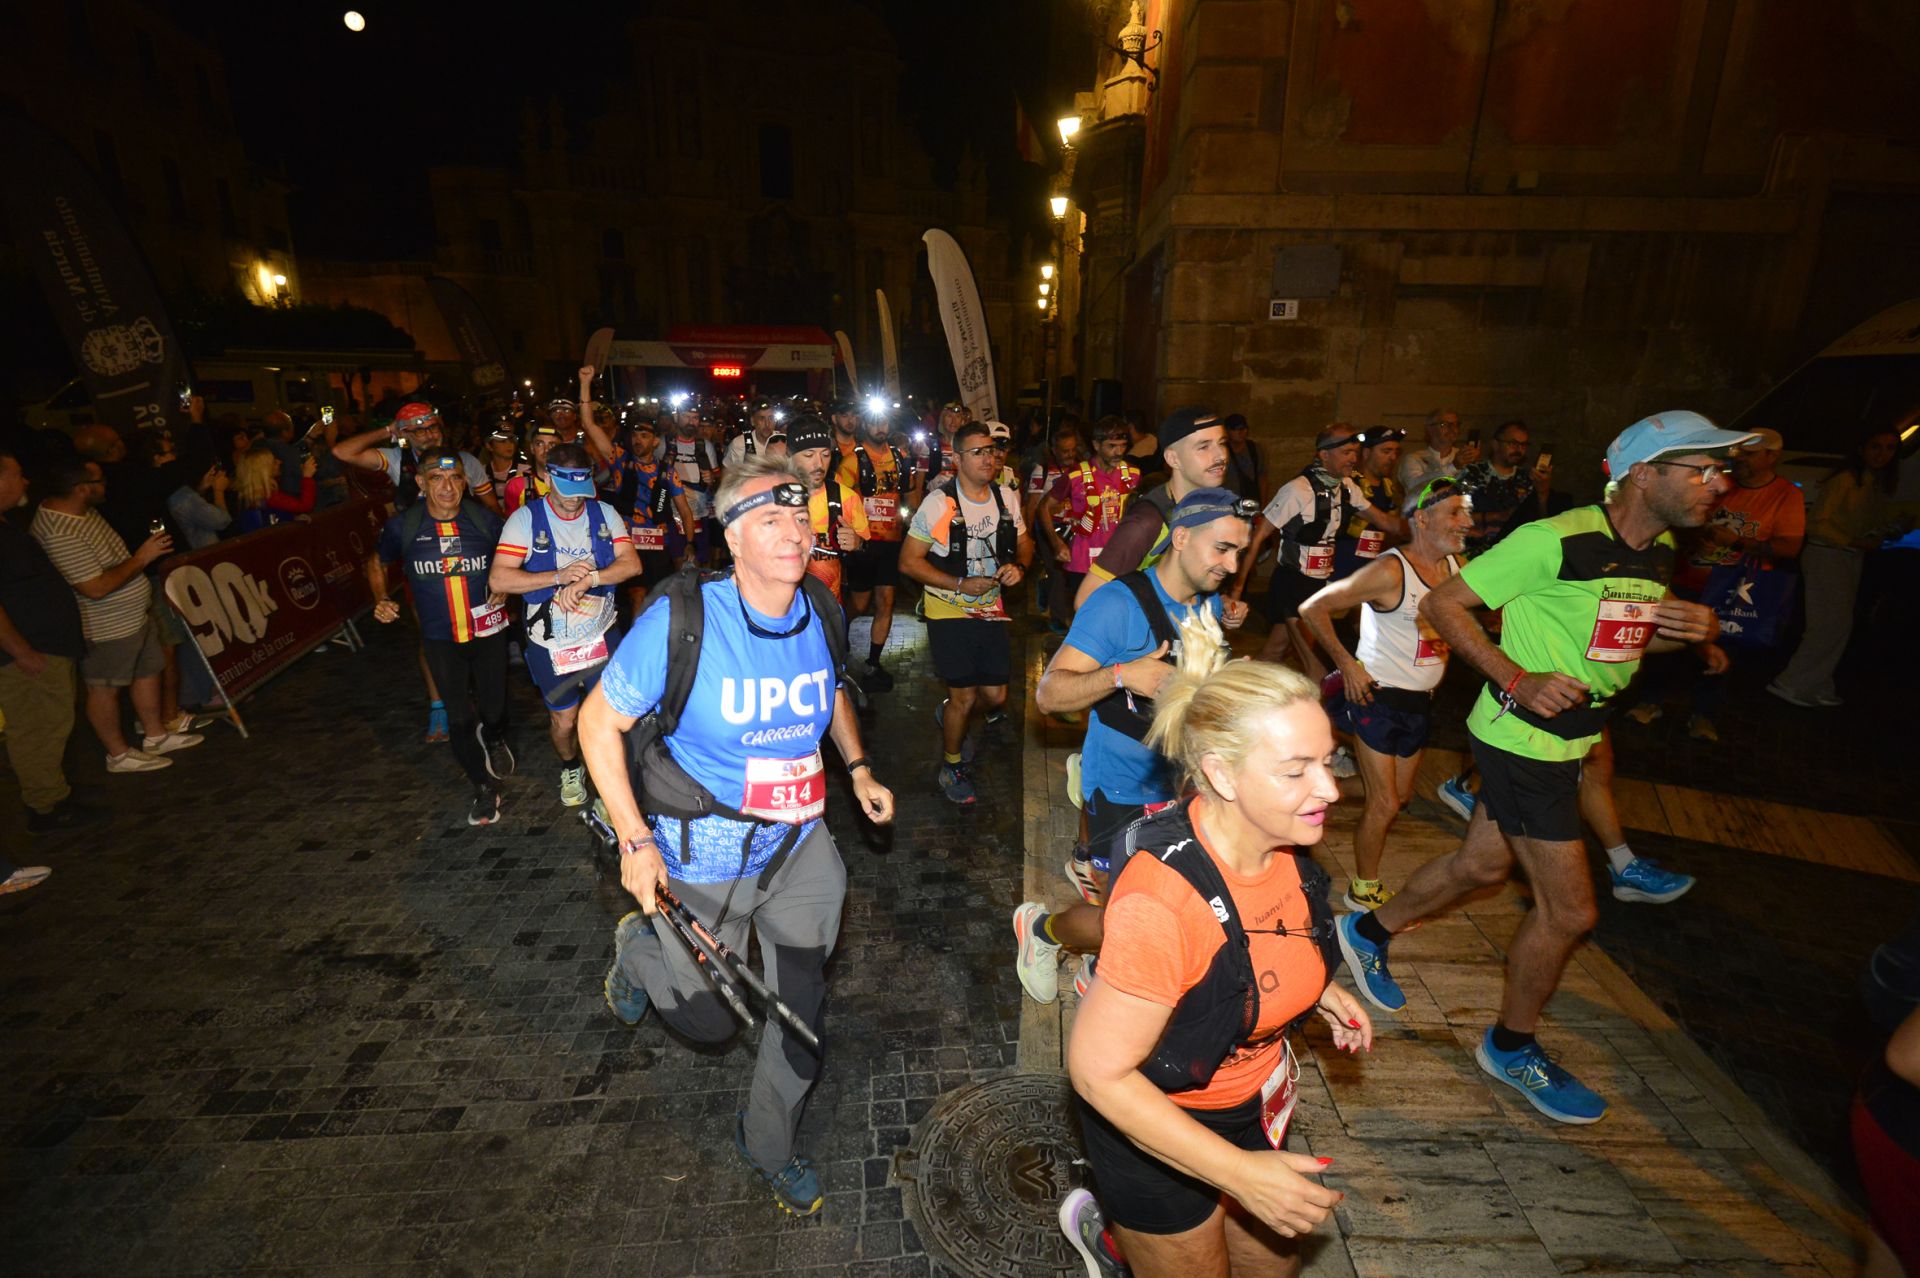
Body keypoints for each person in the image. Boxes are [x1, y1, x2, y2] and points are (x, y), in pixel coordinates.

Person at [1337, 410, 1750, 1124]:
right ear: (1644, 475)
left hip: (1572, 740)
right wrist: (1516, 678)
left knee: (1480, 869)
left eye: (1722, 471)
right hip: (1523, 737)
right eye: (1702, 469)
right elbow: (1444, 602)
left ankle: (1366, 932)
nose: (1719, 483)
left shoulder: (1657, 552)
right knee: (1570, 911)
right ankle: (1510, 1044)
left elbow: (1611, 644)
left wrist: (1683, 634)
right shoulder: (1552, 540)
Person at [580, 455, 896, 1218]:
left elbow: (828, 696)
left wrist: (856, 770)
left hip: (798, 852)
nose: (794, 533)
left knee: (799, 1013)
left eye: (799, 517)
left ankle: (767, 1144)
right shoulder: (684, 620)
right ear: (733, 536)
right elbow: (598, 722)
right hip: (703, 858)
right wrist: (634, 842)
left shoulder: (819, 607)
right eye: (770, 521)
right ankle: (637, 952)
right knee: (708, 1020)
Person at [1066, 629, 1371, 1276]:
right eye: (1296, 771)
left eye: (1328, 760)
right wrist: (1240, 1175)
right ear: (1221, 775)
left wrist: (1314, 988)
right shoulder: (1164, 902)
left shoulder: (1281, 837)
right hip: (1158, 1133)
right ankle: (1120, 1242)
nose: (1331, 790)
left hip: (1252, 1108)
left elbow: (1262, 936)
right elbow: (1098, 1073)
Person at [1018, 489, 1253, 1000]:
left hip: (1188, 790)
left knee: (1175, 907)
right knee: (1119, 920)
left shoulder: (1206, 601)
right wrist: (1123, 674)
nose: (1231, 565)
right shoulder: (1117, 604)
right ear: (1183, 537)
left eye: (1238, 552)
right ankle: (1040, 932)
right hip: (1124, 792)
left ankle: (1095, 974)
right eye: (1222, 549)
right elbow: (1048, 693)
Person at [1299, 476, 1471, 911]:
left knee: (1401, 796)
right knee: (1386, 802)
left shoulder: (1457, 568)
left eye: (1465, 512)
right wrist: (1348, 664)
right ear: (1423, 518)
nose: (1466, 522)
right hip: (1377, 698)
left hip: (1419, 703)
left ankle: (1315, 790)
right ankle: (1363, 887)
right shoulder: (1390, 570)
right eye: (1455, 512)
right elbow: (1312, 607)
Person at [490, 442, 642, 808]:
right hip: (551, 642)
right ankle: (570, 766)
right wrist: (557, 577)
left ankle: (611, 785)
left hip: (601, 635)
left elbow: (632, 565)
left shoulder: (604, 514)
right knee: (566, 721)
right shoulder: (525, 520)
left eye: (581, 491)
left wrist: (590, 579)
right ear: (545, 478)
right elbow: (499, 580)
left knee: (614, 716)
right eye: (566, 491)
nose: (575, 500)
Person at [367, 450, 514, 825]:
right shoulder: (404, 526)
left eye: (455, 479)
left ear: (465, 481)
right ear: (421, 483)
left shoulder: (485, 521)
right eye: (436, 479)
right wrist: (381, 598)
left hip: (488, 633)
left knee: (494, 710)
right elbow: (376, 562)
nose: (448, 487)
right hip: (439, 638)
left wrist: (505, 588)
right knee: (459, 717)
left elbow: (514, 560)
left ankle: (494, 736)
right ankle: (483, 788)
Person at [1630, 426, 1803, 739]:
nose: (1739, 462)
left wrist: (1735, 541)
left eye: (1749, 454)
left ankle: (1703, 715)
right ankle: (1649, 701)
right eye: (1737, 455)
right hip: (1688, 578)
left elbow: (1789, 548)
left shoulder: (1786, 495)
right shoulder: (1723, 485)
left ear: (1772, 456)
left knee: (1721, 652)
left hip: (1733, 589)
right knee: (1665, 637)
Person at [31, 461, 200, 772]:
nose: (106, 484)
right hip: (105, 625)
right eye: (99, 480)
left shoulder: (84, 512)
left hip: (133, 614)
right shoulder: (60, 531)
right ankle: (118, 754)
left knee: (147, 670)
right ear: (81, 488)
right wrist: (142, 558)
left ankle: (156, 735)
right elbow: (94, 588)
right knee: (104, 687)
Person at [900, 420, 1034, 806]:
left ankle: (949, 712)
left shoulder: (1005, 497)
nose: (988, 458)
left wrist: (1019, 568)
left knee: (995, 695)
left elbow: (1024, 543)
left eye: (991, 450)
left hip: (991, 609)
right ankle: (952, 765)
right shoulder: (940, 504)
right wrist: (958, 585)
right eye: (977, 452)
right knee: (965, 697)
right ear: (956, 458)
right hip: (948, 609)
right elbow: (909, 562)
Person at [1234, 425, 1404, 678]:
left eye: (1355, 452)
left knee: (1274, 652)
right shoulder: (1297, 490)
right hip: (1292, 585)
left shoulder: (1346, 486)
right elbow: (1256, 539)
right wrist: (1237, 592)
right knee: (1317, 668)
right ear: (1324, 455)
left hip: (1317, 584)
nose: (1353, 459)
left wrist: (1426, 523)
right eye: (1346, 452)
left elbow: (1385, 522)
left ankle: (1234, 695)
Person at [0, 447, 104, 833]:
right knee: (36, 730)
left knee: (54, 724)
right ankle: (46, 807)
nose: (24, 481)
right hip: (28, 653)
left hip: (47, 646)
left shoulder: (7, 526)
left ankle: (56, 791)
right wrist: (20, 650)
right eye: (17, 474)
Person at [1769, 428, 1899, 708]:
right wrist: (1854, 540)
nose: (1882, 454)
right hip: (1828, 554)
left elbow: (1862, 521)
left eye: (1890, 448)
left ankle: (1817, 682)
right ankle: (1793, 682)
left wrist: (1879, 534)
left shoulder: (1872, 483)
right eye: (1876, 446)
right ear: (1862, 448)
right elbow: (1818, 523)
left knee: (1839, 625)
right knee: (1827, 624)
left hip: (1848, 556)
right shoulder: (1845, 480)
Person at [1072, 407, 1233, 612]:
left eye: (1222, 444)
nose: (1220, 456)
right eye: (1204, 447)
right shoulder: (1148, 521)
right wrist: (1141, 638)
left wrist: (1221, 603)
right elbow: (1086, 601)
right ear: (1173, 459)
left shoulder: (1209, 510)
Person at [578, 370, 696, 597]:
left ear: (655, 441)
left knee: (659, 598)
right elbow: (589, 425)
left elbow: (685, 511)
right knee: (636, 596)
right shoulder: (620, 460)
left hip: (658, 544)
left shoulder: (667, 472)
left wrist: (689, 542)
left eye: (644, 436)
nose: (637, 439)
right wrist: (585, 383)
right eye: (634, 435)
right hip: (627, 542)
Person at [837, 403, 921, 691]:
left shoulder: (900, 458)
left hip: (892, 543)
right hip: (864, 542)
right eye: (873, 422)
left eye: (883, 421)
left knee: (886, 601)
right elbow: (839, 500)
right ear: (864, 425)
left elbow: (910, 494)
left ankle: (873, 664)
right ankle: (836, 635)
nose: (880, 427)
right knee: (859, 604)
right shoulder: (851, 461)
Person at [332, 401, 503, 516]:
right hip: (421, 543)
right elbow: (342, 452)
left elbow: (491, 506)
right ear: (405, 434)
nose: (430, 436)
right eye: (420, 431)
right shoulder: (396, 458)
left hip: (463, 539)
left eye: (433, 428)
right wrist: (388, 430)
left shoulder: (466, 461)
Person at [1051, 418, 1140, 614]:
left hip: (1120, 560)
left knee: (1117, 614)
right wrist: (1057, 542)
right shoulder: (1076, 475)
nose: (1119, 452)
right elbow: (1043, 508)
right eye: (1112, 446)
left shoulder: (1133, 474)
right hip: (1083, 562)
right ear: (1096, 445)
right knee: (1085, 615)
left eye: (1123, 446)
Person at [788, 415, 867, 604]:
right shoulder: (770, 497)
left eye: (825, 454)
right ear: (788, 455)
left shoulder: (846, 498)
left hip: (828, 608)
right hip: (782, 608)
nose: (819, 464)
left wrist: (858, 545)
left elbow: (867, 561)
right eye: (808, 455)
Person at [1454, 420, 1550, 556]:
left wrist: (1543, 492)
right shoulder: (1473, 473)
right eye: (1513, 444)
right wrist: (1496, 516)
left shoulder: (1528, 478)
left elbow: (1541, 521)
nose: (1518, 449)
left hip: (1515, 551)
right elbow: (1453, 513)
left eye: (1523, 445)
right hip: (1475, 553)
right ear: (1495, 445)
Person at [1025, 422, 1084, 629]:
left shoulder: (1082, 469)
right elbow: (1032, 505)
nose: (1069, 455)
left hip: (1075, 528)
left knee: (1073, 572)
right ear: (1054, 450)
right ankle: (1058, 618)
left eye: (1072, 450)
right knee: (1058, 572)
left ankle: (1044, 585)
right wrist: (1029, 537)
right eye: (1064, 451)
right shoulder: (1042, 471)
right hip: (1049, 528)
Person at [1332, 427, 1405, 581]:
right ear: (1366, 453)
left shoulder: (1389, 488)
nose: (1393, 457)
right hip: (1340, 574)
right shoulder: (1347, 485)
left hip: (1372, 575)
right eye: (1386, 451)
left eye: (1396, 452)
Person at [231, 448, 317, 534]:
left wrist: (292, 518)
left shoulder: (252, 496)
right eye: (274, 462)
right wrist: (307, 477)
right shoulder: (268, 496)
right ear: (264, 471)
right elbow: (305, 506)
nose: (279, 462)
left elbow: (273, 517)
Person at [1395, 408, 1478, 493]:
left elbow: (1472, 489)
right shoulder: (1414, 459)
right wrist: (1453, 466)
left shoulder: (1464, 456)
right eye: (1444, 424)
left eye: (1456, 425)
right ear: (1430, 429)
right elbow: (1414, 486)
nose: (1452, 429)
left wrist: (1476, 467)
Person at [503, 423, 560, 514]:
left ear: (561, 450)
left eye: (552, 445)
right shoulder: (517, 485)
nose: (546, 449)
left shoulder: (573, 481)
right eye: (540, 444)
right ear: (532, 448)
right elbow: (511, 525)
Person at [721, 398, 784, 468]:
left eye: (771, 418)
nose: (767, 424)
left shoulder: (783, 441)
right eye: (762, 418)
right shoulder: (740, 444)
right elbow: (727, 473)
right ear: (753, 421)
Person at [1220, 413, 1264, 503]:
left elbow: (1262, 477)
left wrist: (1263, 504)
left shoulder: (1253, 449)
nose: (1240, 432)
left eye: (1243, 428)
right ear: (1227, 431)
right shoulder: (1221, 450)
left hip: (1249, 501)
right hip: (1226, 502)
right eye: (1235, 429)